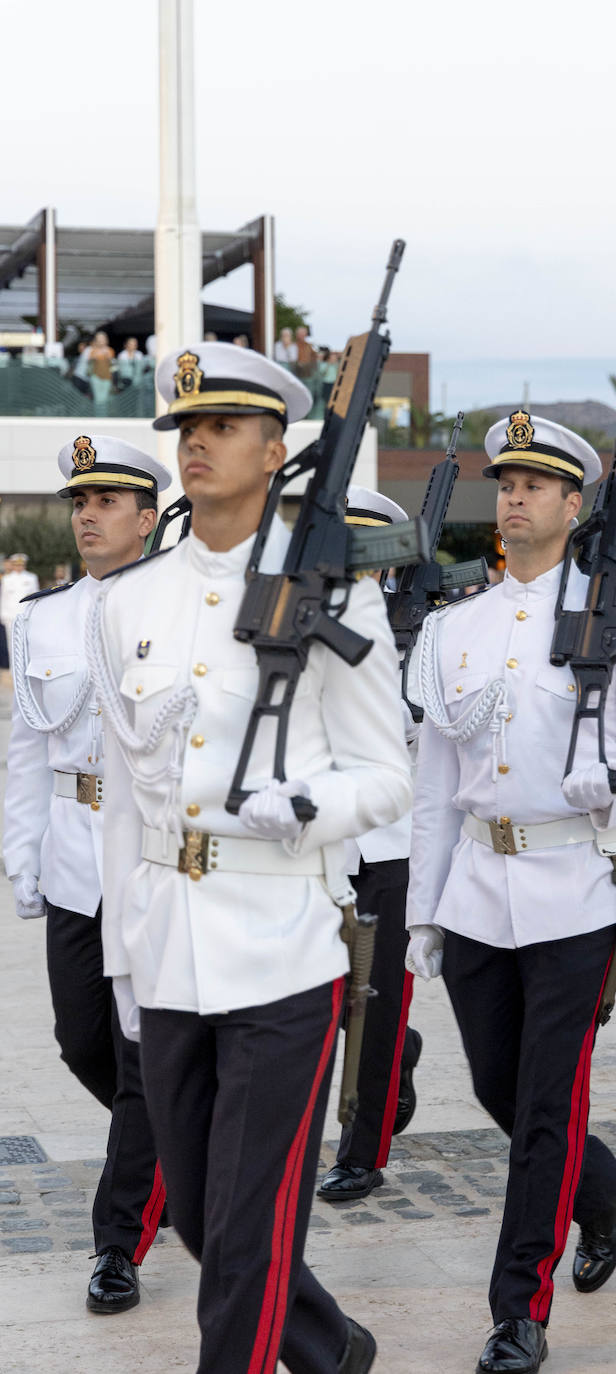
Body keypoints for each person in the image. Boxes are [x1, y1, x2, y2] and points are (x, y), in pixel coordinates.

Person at [87, 341, 411, 1373]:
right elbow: (120, 807)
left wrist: (309, 804)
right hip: (165, 940)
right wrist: (121, 964)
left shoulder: (333, 590)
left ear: (276, 450)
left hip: (281, 944)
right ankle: (330, 1351)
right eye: (187, 427)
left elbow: (388, 775)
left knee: (248, 1235)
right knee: (200, 1216)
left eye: (222, 427)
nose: (198, 445)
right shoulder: (125, 603)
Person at [405, 412, 616, 1374]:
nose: (513, 496)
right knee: (498, 1086)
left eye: (536, 484)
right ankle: (598, 1186)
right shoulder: (452, 630)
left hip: (571, 891)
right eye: (506, 481)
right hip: (481, 889)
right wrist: (424, 911)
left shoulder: (613, 616)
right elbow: (435, 788)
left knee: (546, 1105)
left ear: (576, 503)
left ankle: (519, 1308)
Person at [3, 435, 171, 1314]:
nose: (87, 515)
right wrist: (21, 856)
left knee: (145, 1058)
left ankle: (118, 1242)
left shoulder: (180, 608)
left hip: (148, 858)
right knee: (83, 1041)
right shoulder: (41, 618)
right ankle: (176, 1148)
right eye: (80, 502)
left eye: (107, 502)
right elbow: (26, 750)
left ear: (147, 518)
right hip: (75, 856)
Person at [317, 486, 424, 1204]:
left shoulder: (424, 633)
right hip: (317, 847)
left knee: (377, 1008)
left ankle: (364, 1150)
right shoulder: (299, 628)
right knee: (314, 1009)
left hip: (389, 848)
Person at [87, 332, 116, 416]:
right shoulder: (93, 351)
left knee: (105, 398)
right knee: (98, 399)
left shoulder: (110, 351)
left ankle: (104, 416)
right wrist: (94, 358)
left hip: (107, 377)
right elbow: (89, 364)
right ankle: (98, 416)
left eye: (102, 339)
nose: (101, 341)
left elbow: (113, 365)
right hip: (96, 377)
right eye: (99, 339)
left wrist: (108, 358)